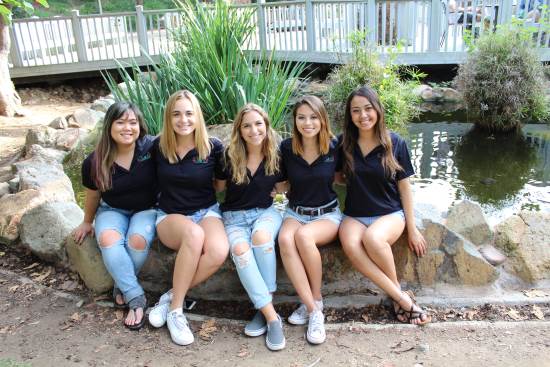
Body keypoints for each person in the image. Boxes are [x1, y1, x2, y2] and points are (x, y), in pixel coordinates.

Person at [338, 86, 431, 325]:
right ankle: (401, 297)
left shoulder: (395, 142)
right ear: (350, 115)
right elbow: (334, 176)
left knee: (373, 239)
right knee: (349, 242)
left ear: (378, 110)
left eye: (368, 109)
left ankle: (399, 299)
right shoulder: (344, 143)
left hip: (389, 213)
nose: (363, 115)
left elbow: (405, 188)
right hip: (354, 215)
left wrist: (412, 228)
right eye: (356, 111)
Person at [148, 90, 229, 346]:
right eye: (177, 114)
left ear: (198, 116)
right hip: (170, 215)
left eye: (189, 113)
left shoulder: (213, 147)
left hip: (206, 211)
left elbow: (220, 185)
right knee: (194, 235)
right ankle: (176, 312)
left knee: (218, 250)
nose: (183, 119)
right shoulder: (157, 146)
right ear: (168, 118)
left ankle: (170, 298)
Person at [73, 101, 157, 330]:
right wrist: (87, 221)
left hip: (147, 209)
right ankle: (136, 298)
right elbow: (92, 195)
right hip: (112, 210)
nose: (127, 128)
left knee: (137, 239)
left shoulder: (151, 148)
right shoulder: (94, 160)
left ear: (140, 125)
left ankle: (122, 285)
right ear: (109, 125)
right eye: (120, 122)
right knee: (108, 239)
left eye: (133, 122)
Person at [217, 104, 286, 351]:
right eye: (246, 125)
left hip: (268, 213)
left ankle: (263, 309)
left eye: (258, 124)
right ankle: (271, 315)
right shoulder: (228, 156)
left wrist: (279, 193)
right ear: (239, 130)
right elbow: (216, 188)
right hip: (233, 218)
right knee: (241, 253)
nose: (253, 130)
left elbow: (287, 186)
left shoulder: (277, 155)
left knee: (261, 237)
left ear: (266, 127)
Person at [277, 95, 342, 345]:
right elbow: (282, 185)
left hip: (327, 213)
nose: (308, 123)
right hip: (295, 211)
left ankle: (315, 305)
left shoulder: (334, 146)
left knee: (303, 237)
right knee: (285, 238)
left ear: (322, 119)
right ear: (295, 121)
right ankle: (311, 308)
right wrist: (273, 202)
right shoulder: (287, 147)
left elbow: (343, 177)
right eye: (302, 117)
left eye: (313, 117)